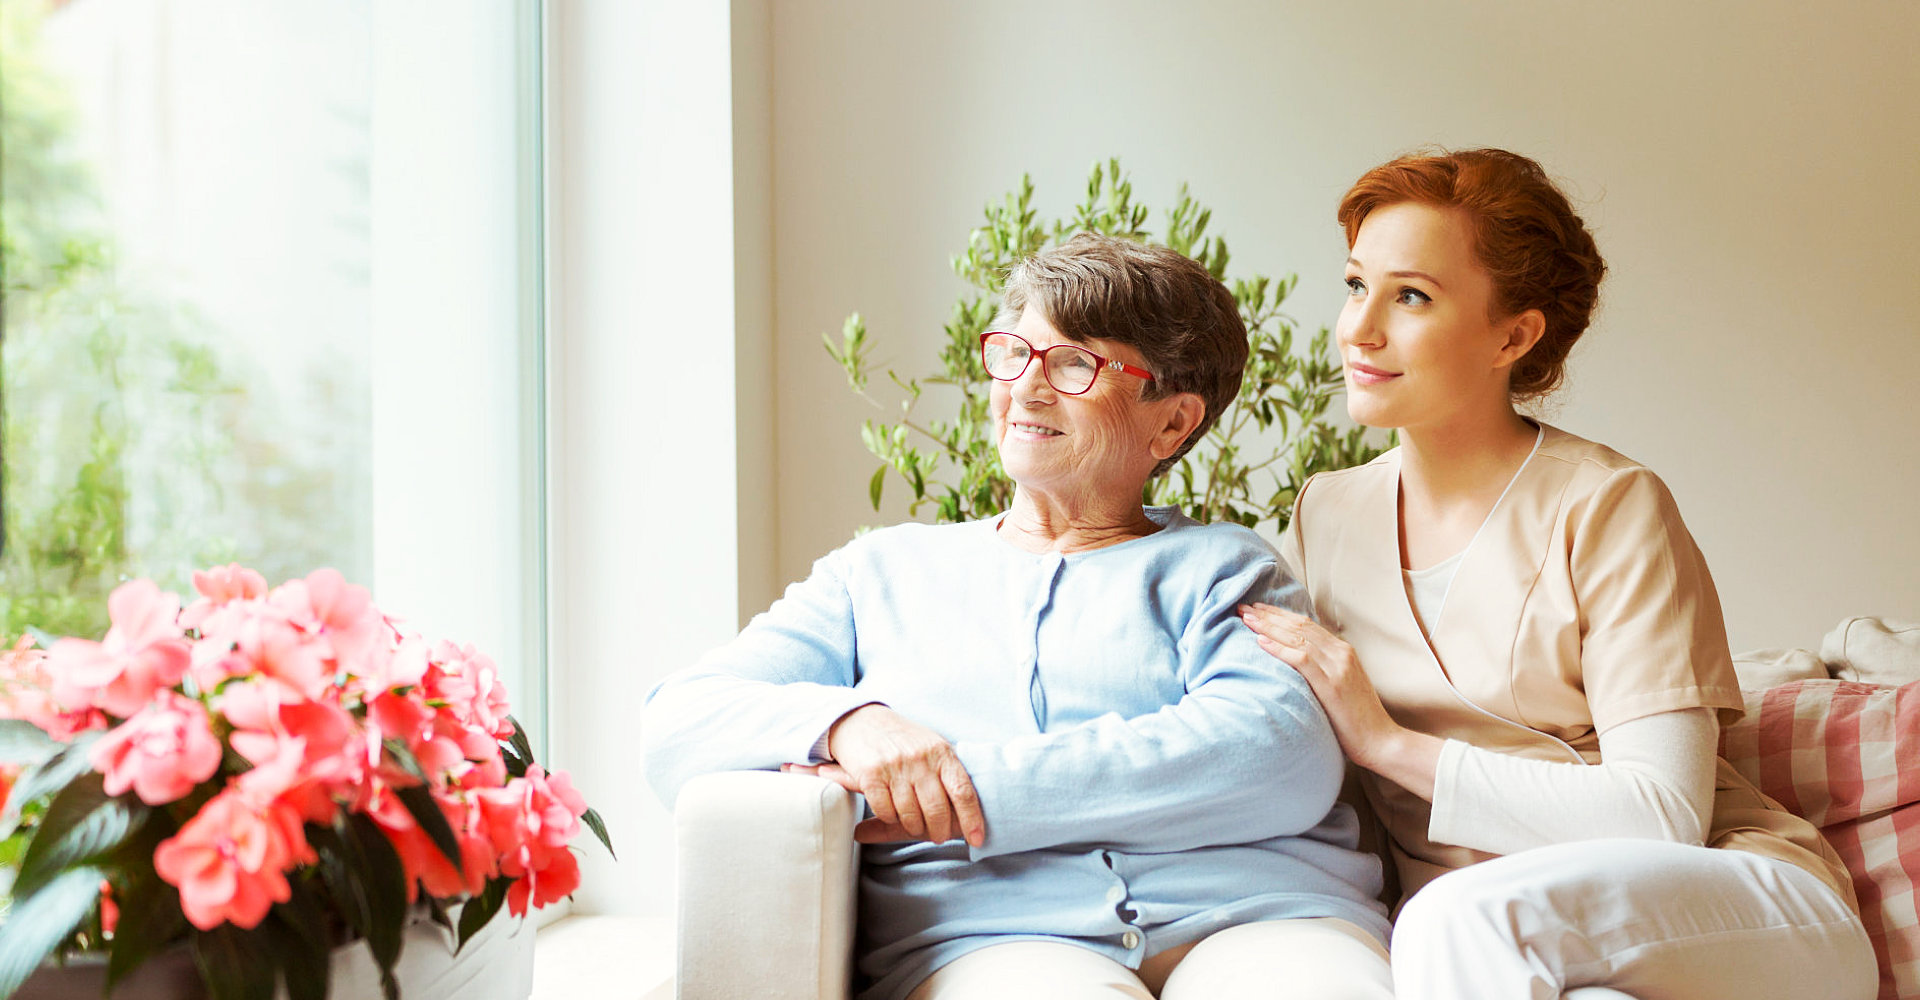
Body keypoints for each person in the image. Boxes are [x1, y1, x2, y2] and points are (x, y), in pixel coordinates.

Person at [643, 233, 1393, 1000]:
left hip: (1259, 915)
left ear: (1170, 424)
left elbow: (1275, 756)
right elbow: (676, 721)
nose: (1027, 389)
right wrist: (849, 725)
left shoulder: (1226, 566)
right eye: (1014, 351)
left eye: (1075, 364)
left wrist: (961, 787)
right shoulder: (880, 575)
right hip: (997, 937)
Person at [1239, 148, 1877, 1000]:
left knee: (1453, 919)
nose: (1360, 329)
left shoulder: (1610, 507)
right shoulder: (1326, 514)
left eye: (1412, 296)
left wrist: (1389, 744)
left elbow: (1663, 815)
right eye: (1357, 285)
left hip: (1733, 910)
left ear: (1514, 334)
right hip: (1513, 955)